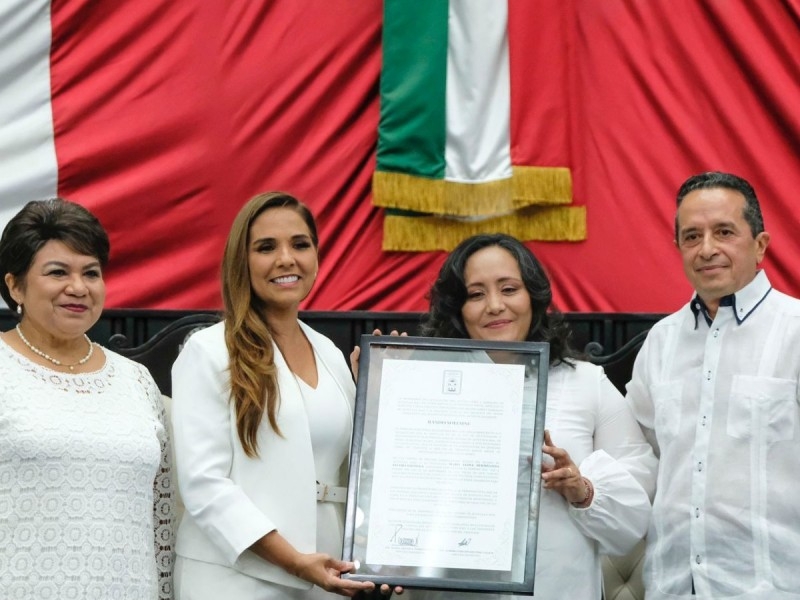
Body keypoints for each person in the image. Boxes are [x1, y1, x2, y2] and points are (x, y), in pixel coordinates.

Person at [171, 192, 394, 599]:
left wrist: (379, 398)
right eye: (266, 247)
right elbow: (204, 485)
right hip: (236, 577)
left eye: (300, 244)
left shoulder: (328, 351)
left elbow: (352, 467)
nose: (287, 258)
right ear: (242, 260)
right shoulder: (208, 351)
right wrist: (293, 560)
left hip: (324, 572)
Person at [408, 233, 656, 599]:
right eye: (476, 294)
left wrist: (581, 489)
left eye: (509, 289)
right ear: (457, 309)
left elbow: (636, 505)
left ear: (533, 297)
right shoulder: (426, 386)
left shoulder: (586, 383)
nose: (495, 305)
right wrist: (384, 386)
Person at [626, 171, 800, 599]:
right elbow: (646, 456)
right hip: (671, 586)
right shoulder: (661, 342)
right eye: (691, 236)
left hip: (771, 586)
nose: (707, 249)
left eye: (724, 232)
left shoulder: (795, 332)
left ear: (760, 245)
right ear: (678, 248)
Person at [0, 198, 175, 599]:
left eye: (91, 273)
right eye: (57, 272)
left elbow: (160, 522)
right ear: (15, 285)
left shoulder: (136, 380)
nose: (78, 288)